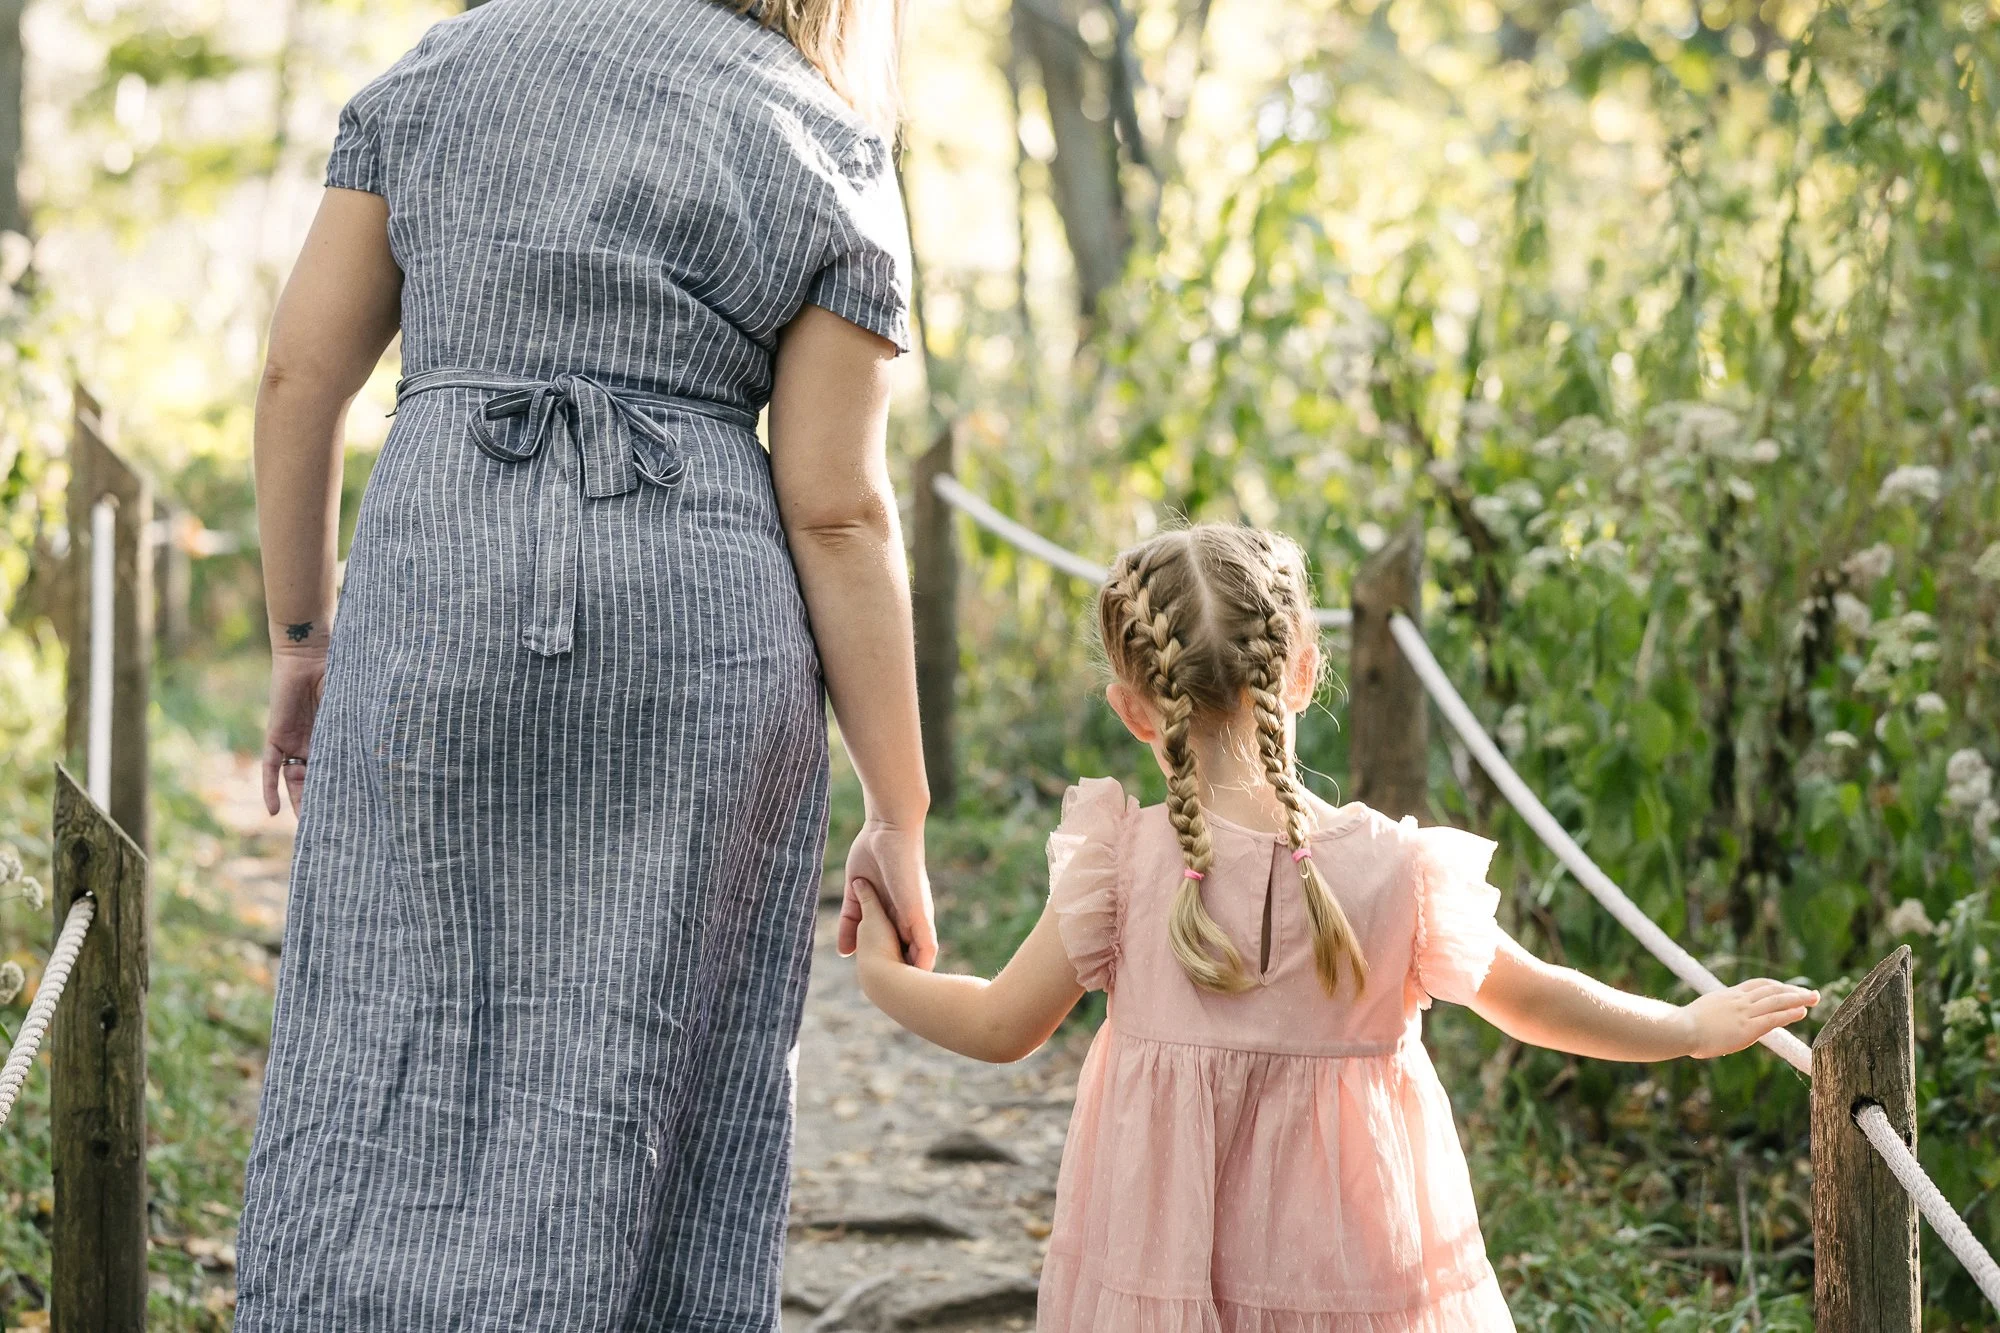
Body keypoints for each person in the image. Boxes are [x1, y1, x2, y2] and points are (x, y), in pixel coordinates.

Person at [237, 0, 933, 1326]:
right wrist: (897, 810)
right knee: (658, 1045)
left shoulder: (441, 67)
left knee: (390, 999)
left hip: (441, 588)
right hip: (701, 622)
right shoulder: (820, 125)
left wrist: (304, 643)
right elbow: (837, 507)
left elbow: (294, 377)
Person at [850, 524, 1819, 1332]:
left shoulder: (1121, 866)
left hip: (1160, 1271)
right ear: (1306, 671)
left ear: (1133, 710)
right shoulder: (1396, 870)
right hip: (1358, 1279)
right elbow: (1531, 1000)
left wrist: (880, 970)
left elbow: (996, 1025)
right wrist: (1687, 1027)